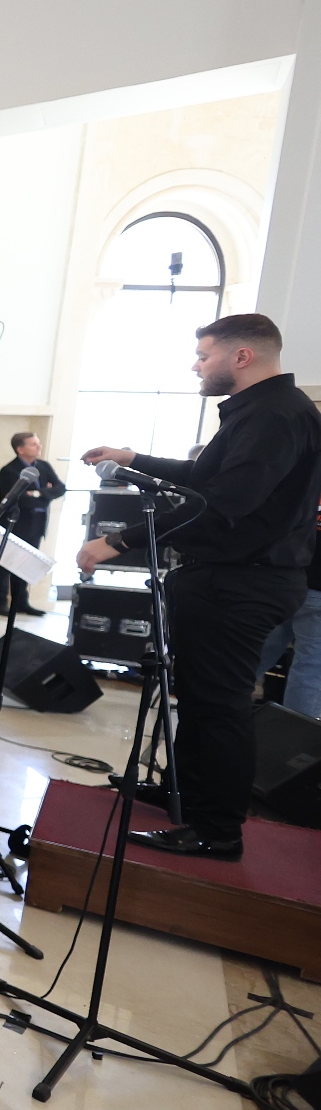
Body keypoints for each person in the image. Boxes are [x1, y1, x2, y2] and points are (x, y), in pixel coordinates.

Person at [78, 313, 321, 859]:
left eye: (204, 355)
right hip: (230, 581)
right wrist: (133, 458)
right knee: (201, 699)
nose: (196, 365)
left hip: (242, 584)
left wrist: (118, 542)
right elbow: (208, 477)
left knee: (220, 706)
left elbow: (223, 505)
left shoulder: (276, 417)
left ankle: (216, 830)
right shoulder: (262, 411)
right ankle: (183, 795)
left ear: (242, 357)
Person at [256, 500, 321, 718]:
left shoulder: (307, 466)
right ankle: (295, 746)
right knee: (310, 671)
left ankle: (213, 722)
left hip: (282, 574)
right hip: (315, 590)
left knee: (249, 655)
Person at [0, 431, 64, 615]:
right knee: (5, 565)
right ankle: (0, 603)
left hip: (37, 523)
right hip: (15, 523)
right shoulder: (9, 470)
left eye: (38, 443)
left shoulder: (44, 466)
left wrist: (38, 493)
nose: (39, 447)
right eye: (33, 444)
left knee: (25, 565)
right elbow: (16, 499)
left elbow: (60, 488)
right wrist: (44, 494)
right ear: (20, 449)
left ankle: (21, 602)